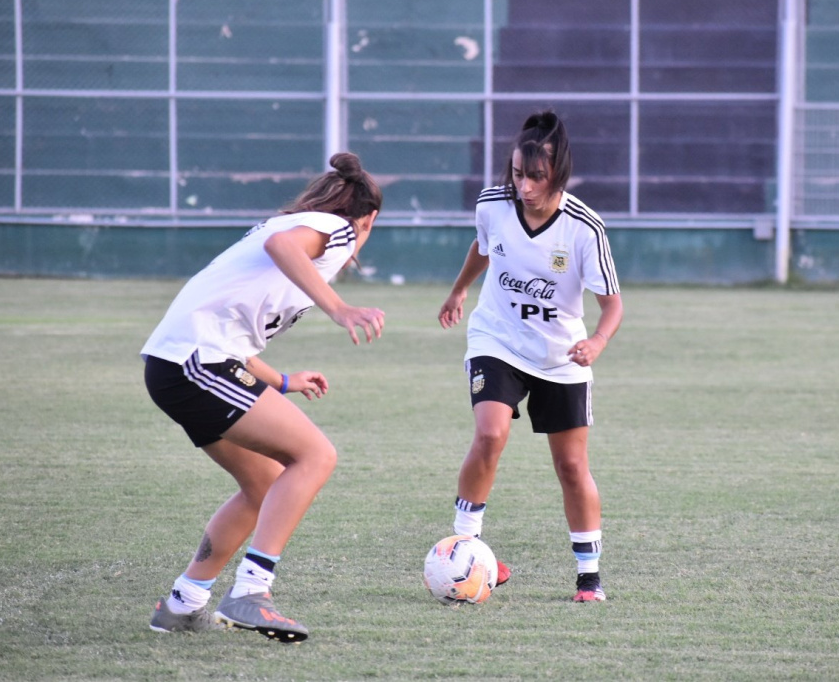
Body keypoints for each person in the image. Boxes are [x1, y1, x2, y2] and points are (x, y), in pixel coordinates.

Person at [143, 152, 385, 642]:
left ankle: (184, 603)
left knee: (265, 484)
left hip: (188, 363)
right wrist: (340, 309)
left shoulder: (302, 228)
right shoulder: (333, 230)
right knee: (316, 454)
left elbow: (238, 332)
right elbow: (281, 245)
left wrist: (281, 380)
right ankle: (251, 592)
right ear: (369, 219)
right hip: (196, 362)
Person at [438, 110, 623, 602]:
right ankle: (467, 548)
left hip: (561, 356)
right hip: (496, 339)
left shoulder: (585, 229)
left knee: (570, 466)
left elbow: (613, 305)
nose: (524, 186)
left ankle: (588, 575)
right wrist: (459, 291)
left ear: (557, 173)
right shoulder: (493, 204)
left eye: (535, 177)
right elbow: (484, 246)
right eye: (518, 174)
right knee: (490, 431)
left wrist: (597, 343)